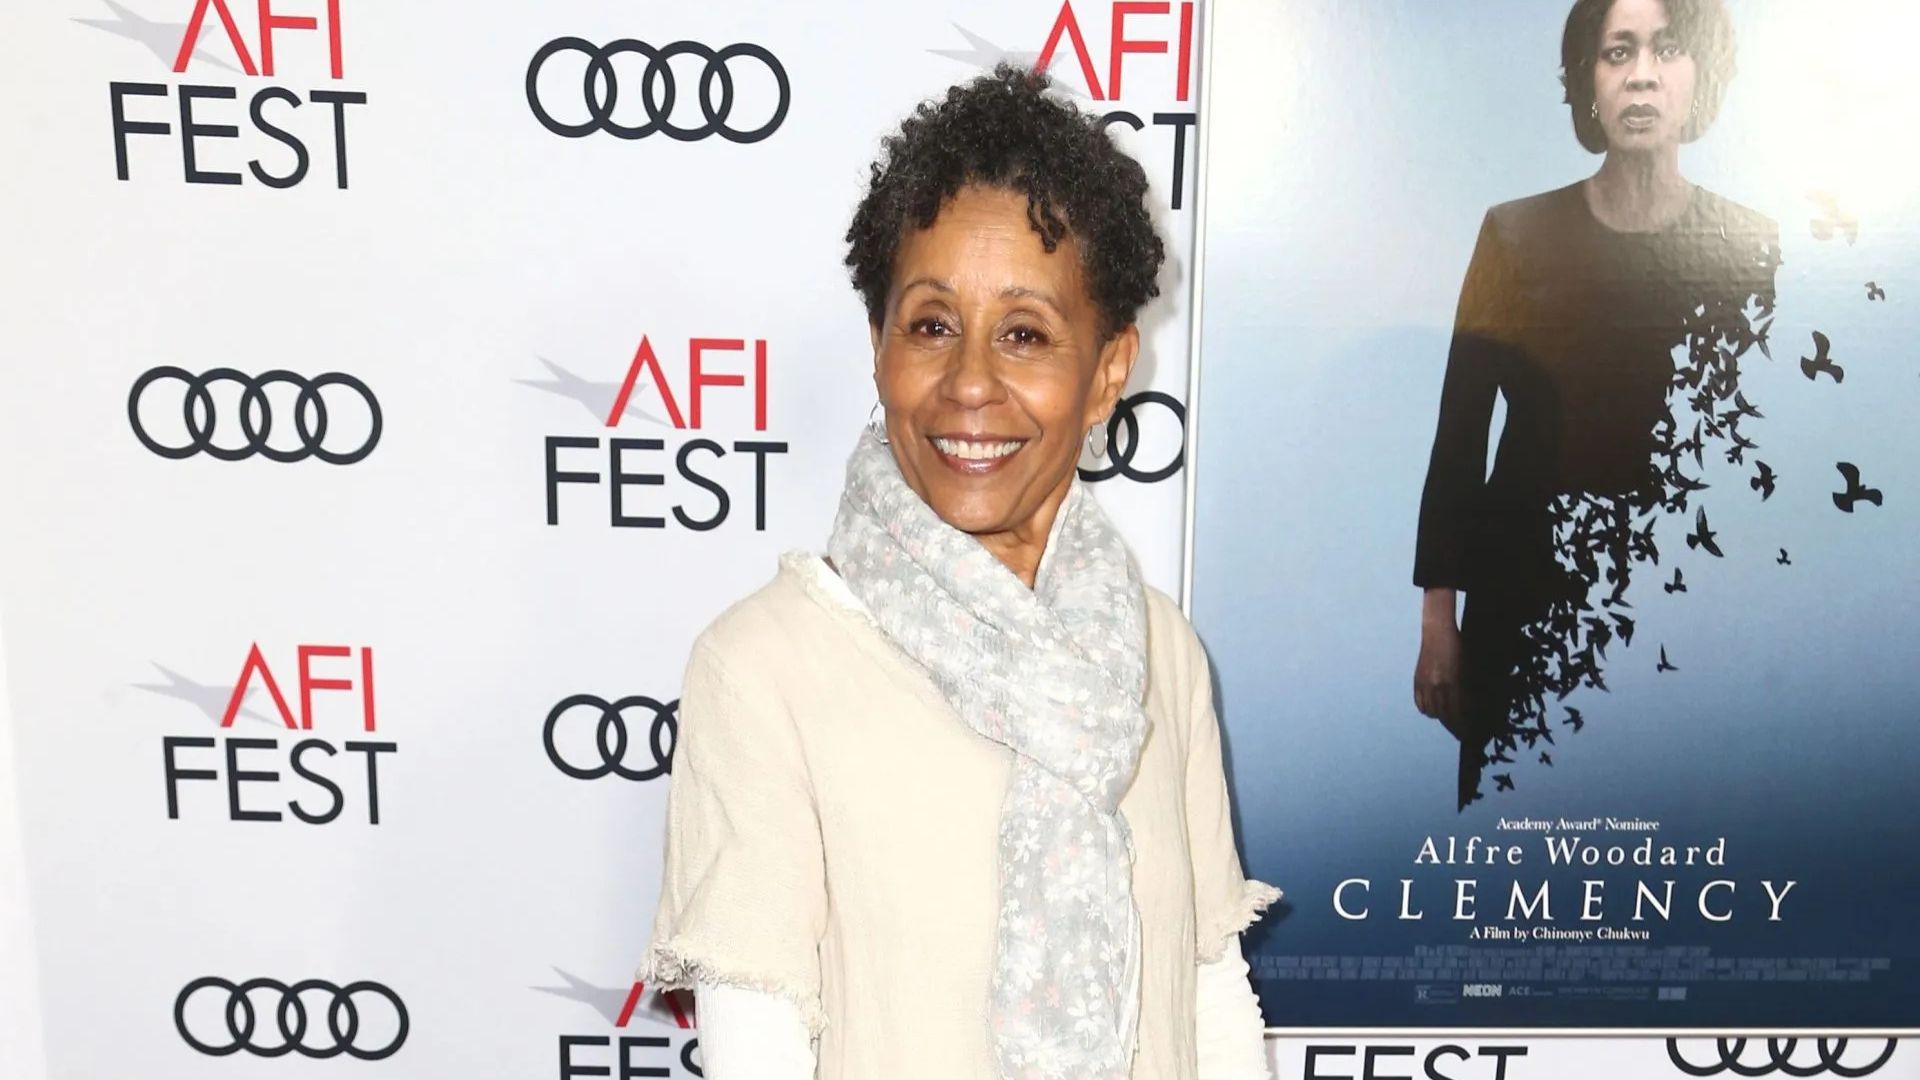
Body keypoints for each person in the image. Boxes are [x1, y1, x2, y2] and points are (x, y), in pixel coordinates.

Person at [637, 65, 1279, 1079]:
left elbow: (1208, 993)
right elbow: (755, 1049)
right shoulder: (762, 667)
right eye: (932, 325)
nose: (971, 382)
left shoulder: (1161, 650)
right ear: (880, 345)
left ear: (1109, 370)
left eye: (1025, 335)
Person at [1411, 0, 1780, 809]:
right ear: (1586, 80)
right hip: (1523, 605)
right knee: (1518, 850)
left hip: (1688, 607)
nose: (1642, 75)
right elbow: (1461, 433)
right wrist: (1440, 621)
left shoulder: (1751, 248)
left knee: (1680, 849)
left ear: (1702, 75)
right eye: (1618, 52)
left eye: (1667, 50)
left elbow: (1769, 451)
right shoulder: (1515, 235)